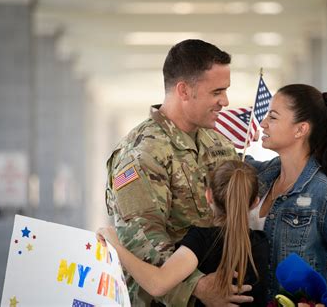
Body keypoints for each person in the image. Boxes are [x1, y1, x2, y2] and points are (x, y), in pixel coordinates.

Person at [105, 39, 251, 306]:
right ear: (184, 90)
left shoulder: (218, 144)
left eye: (226, 90)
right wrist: (200, 286)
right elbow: (143, 242)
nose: (225, 101)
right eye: (217, 91)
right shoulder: (140, 154)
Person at [246, 84, 327, 306]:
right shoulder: (257, 176)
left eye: (273, 117)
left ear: (301, 129)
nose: (263, 123)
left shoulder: (326, 195)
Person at [99, 160, 269, 307]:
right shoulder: (262, 243)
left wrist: (116, 246)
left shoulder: (201, 239)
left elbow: (157, 284)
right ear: (255, 202)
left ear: (208, 196)